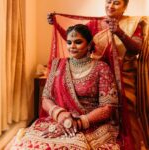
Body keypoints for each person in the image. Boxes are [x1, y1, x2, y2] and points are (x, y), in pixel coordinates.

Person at [47, 0, 149, 149]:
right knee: (105, 113)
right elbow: (76, 38)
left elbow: (136, 49)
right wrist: (56, 25)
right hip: (100, 74)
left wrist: (119, 32)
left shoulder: (134, 23)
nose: (110, 6)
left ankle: (134, 146)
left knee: (129, 115)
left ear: (125, 6)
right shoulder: (96, 24)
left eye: (116, 3)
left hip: (125, 76)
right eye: (108, 2)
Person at [6, 24, 121, 150]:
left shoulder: (101, 68)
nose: (72, 46)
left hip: (90, 123)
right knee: (25, 145)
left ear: (89, 45)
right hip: (58, 120)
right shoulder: (58, 65)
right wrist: (60, 115)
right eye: (69, 42)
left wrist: (77, 122)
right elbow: (46, 98)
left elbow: (107, 108)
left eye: (78, 42)